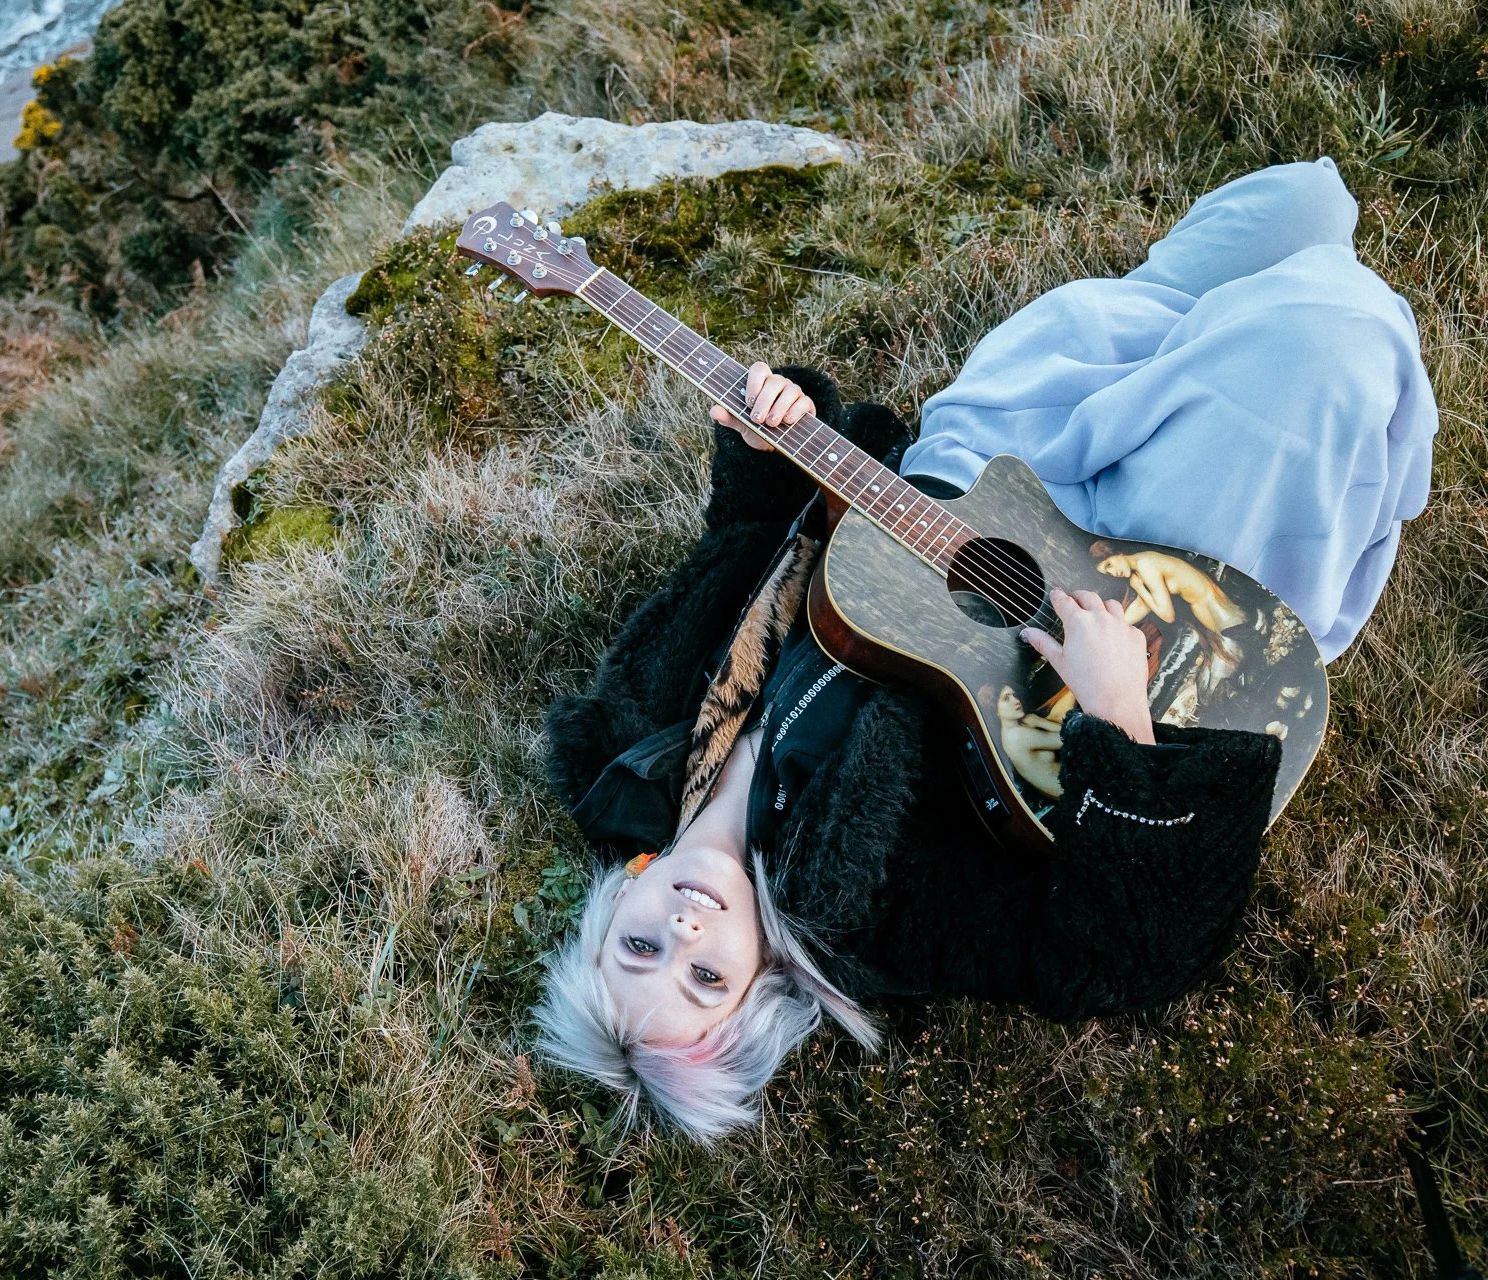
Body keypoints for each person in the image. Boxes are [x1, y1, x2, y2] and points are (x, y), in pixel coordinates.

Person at [532, 158, 1438, 1140]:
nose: (684, 929)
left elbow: (742, 552)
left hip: (974, 480)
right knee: (1327, 336)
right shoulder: (867, 914)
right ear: (756, 987)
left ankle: (1217, 337)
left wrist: (771, 445)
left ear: (614, 903)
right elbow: (1116, 957)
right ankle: (1262, 361)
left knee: (1300, 203)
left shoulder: (632, 748)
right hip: (1125, 589)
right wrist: (1118, 723)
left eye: (639, 947)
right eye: (703, 975)